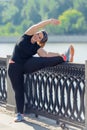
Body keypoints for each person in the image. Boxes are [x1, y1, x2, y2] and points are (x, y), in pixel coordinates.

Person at [8, 18, 74, 122]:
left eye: (39, 37)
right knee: (19, 90)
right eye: (38, 34)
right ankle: (20, 114)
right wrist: (50, 21)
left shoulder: (36, 47)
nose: (37, 36)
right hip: (14, 67)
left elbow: (46, 54)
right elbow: (38, 25)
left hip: (25, 65)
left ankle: (65, 57)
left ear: (40, 41)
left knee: (43, 60)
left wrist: (59, 54)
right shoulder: (27, 35)